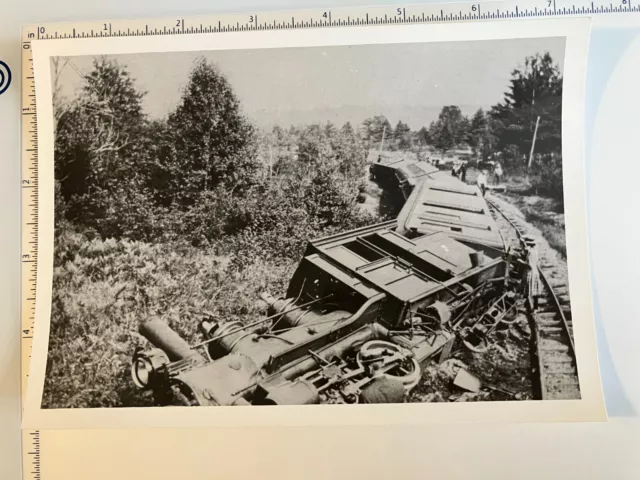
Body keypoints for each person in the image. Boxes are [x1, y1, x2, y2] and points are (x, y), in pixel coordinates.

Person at [523, 236, 542, 310]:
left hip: (530, 272)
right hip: (535, 271)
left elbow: (528, 264)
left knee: (528, 289)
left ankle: (530, 306)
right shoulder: (535, 251)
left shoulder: (529, 252)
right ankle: (536, 307)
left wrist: (521, 261)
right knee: (535, 290)